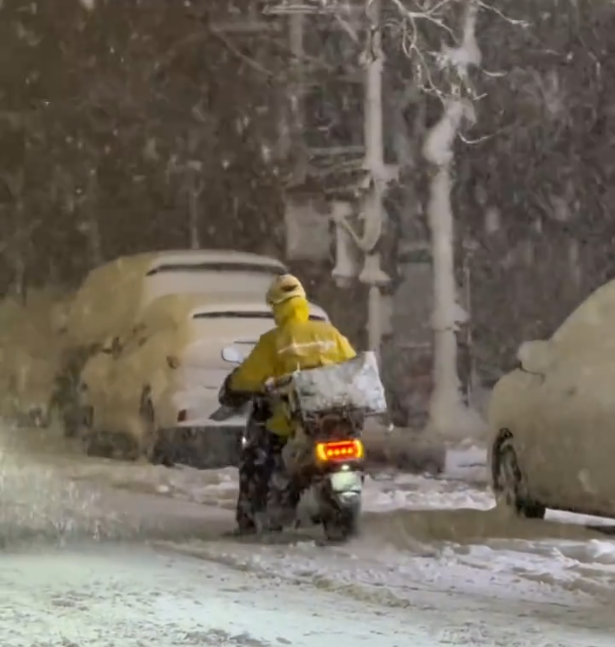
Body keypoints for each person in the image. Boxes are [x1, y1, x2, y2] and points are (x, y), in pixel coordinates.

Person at [219, 273, 356, 534]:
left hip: (290, 423)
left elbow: (248, 377)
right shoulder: (330, 334)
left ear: (277, 306)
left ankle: (255, 518)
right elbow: (353, 367)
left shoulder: (275, 341)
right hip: (336, 418)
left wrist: (231, 388)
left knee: (257, 458)